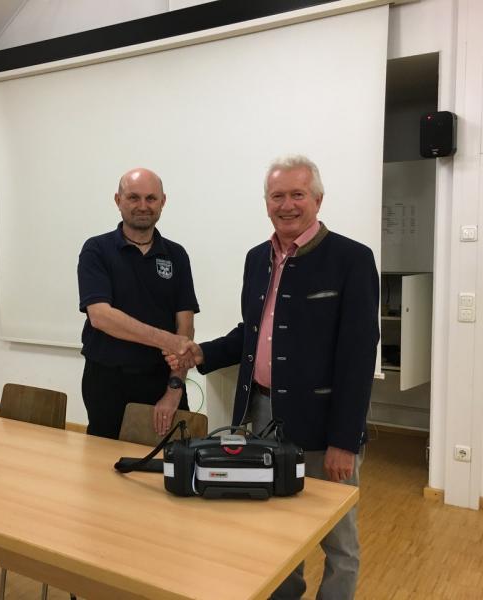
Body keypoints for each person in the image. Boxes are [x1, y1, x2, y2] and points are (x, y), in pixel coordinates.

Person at [167, 155, 379, 600]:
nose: (287, 205)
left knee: (338, 540)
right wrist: (201, 352)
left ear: (317, 199)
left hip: (324, 425)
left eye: (297, 194)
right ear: (266, 203)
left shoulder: (352, 259)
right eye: (277, 196)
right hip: (262, 413)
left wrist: (345, 440)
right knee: (276, 530)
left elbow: (358, 357)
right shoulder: (256, 259)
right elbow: (252, 332)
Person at [77, 167, 199, 439]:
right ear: (118, 200)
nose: (143, 206)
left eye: (151, 198)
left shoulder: (177, 255)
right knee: (104, 464)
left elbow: (185, 328)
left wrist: (173, 390)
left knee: (174, 461)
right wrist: (167, 341)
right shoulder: (96, 250)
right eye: (133, 197)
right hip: (107, 381)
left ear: (163, 202)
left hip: (162, 379)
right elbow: (101, 317)